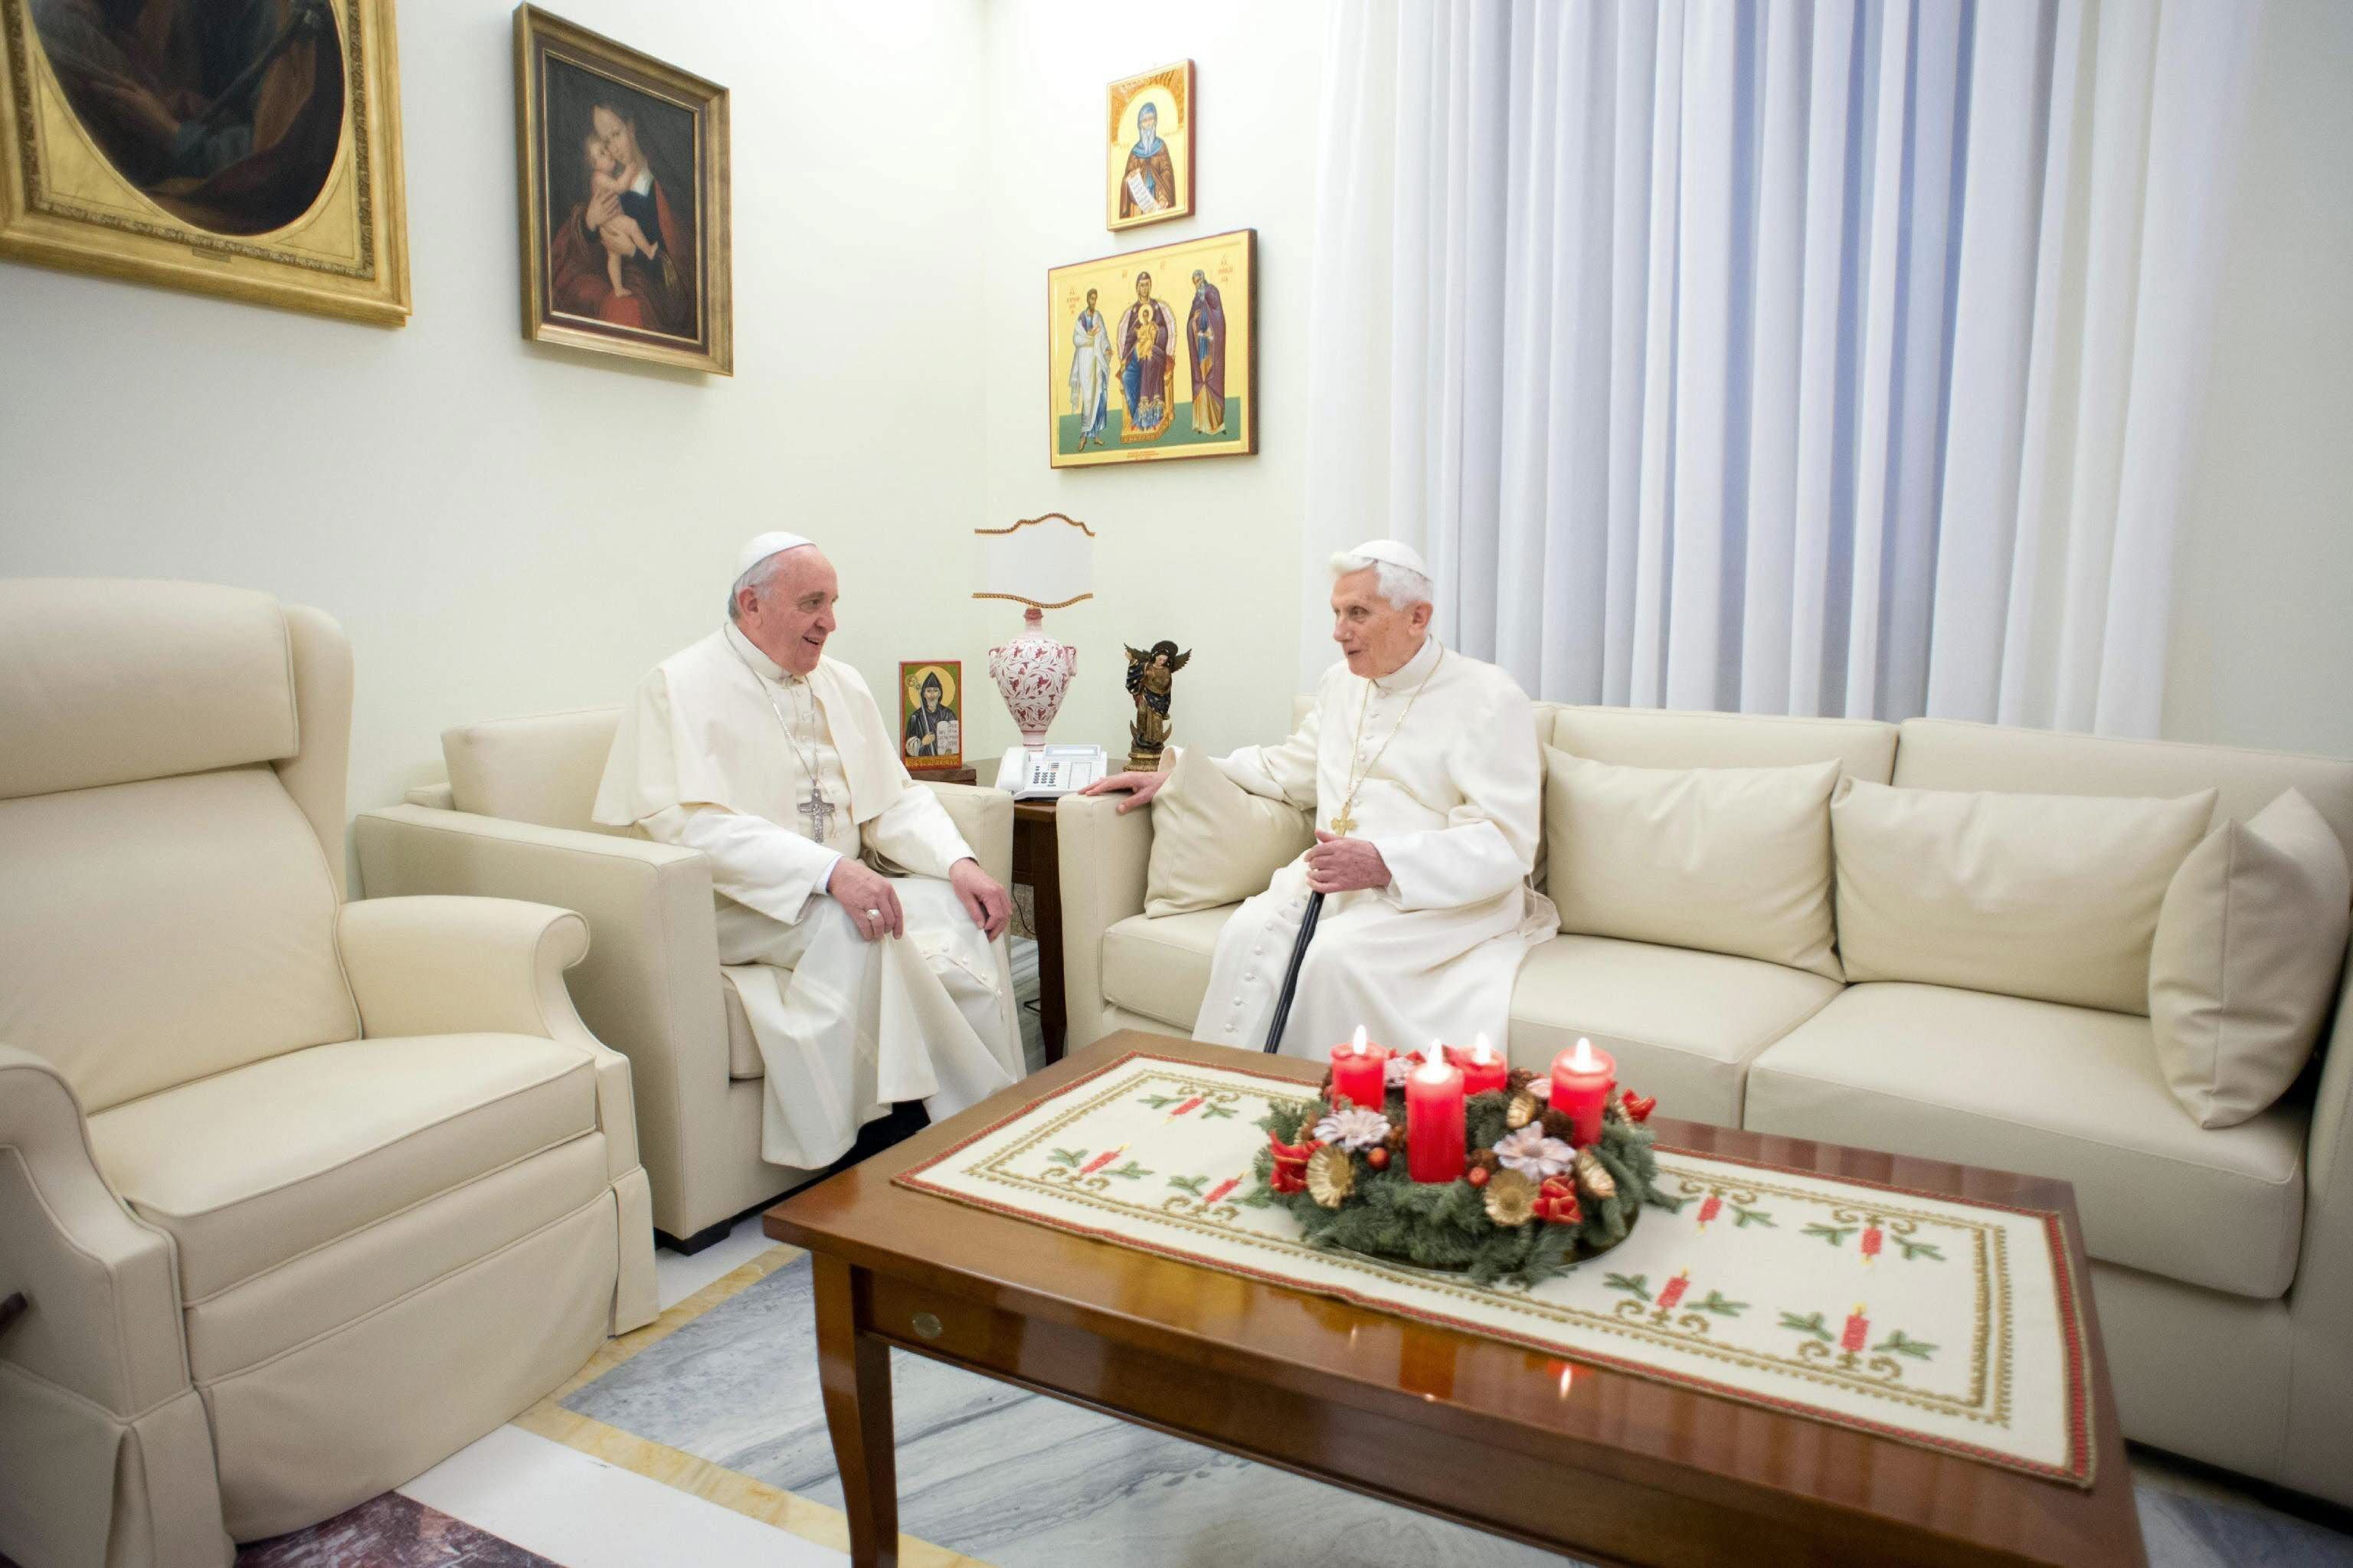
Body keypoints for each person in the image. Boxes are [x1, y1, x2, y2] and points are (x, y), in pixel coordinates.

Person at [594, 532, 1023, 1171]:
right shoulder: (677, 686)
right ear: (752, 603)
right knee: (861, 926)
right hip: (744, 899)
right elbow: (686, 827)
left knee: (963, 912)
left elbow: (892, 800)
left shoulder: (842, 684)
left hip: (843, 881)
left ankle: (993, 1118)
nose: (830, 622)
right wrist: (825, 872)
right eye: (812, 602)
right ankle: (889, 1138)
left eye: (833, 602)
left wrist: (960, 863)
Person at [1081, 540, 1555, 1056]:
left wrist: (1384, 863)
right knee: (1246, 932)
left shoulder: (1489, 697)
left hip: (1445, 895)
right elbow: (1289, 768)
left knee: (1335, 956)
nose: (1338, 631)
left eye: (1357, 613)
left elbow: (1506, 843)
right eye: (1335, 613)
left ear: (1417, 616)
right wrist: (1179, 775)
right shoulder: (1340, 685)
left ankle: (1331, 1120)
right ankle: (1231, 1093)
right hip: (1338, 879)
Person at [550, 100, 695, 337]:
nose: (613, 149)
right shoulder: (610, 185)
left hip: (654, 291)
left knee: (625, 310)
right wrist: (590, 224)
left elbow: (683, 271)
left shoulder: (662, 184)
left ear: (631, 127)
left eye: (616, 135)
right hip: (617, 278)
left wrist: (633, 251)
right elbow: (586, 251)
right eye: (605, 142)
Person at [582, 131, 658, 300]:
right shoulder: (599, 177)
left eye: (605, 148)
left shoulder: (603, 176)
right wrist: (630, 170)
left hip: (610, 221)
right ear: (594, 165)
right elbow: (620, 187)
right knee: (632, 226)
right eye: (602, 153)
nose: (608, 153)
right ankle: (648, 251)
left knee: (614, 256)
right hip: (611, 220)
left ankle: (618, 288)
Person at [1118, 271, 1177, 440]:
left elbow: (1164, 330)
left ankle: (1153, 415)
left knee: (1149, 361)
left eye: (1147, 284)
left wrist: (1156, 336)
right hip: (1137, 352)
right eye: (1142, 285)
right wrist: (1124, 359)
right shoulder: (1134, 311)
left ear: (1150, 286)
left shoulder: (1157, 307)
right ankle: (1137, 415)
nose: (1145, 288)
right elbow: (1129, 337)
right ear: (1137, 288)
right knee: (1127, 376)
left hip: (1156, 350)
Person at [1117, 100, 1177, 219]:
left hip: (1159, 202)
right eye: (1144, 120)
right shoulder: (1134, 153)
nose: (1148, 124)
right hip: (1139, 206)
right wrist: (1129, 179)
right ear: (1140, 125)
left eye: (1151, 119)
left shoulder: (1161, 147)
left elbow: (1167, 174)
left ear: (1155, 121)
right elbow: (1126, 181)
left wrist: (1163, 198)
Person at [1069, 288, 1112, 448]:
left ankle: (1096, 435)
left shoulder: (1098, 316)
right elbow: (1076, 339)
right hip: (1085, 360)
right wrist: (1089, 338)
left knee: (1100, 395)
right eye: (1091, 298)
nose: (1094, 301)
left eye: (1096, 298)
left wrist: (1107, 348)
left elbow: (1104, 336)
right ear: (1088, 299)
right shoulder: (1081, 317)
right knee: (1088, 398)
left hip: (1097, 359)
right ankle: (1083, 436)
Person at [1186, 268, 1227, 436]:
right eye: (1195, 283)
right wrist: (1194, 323)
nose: (1198, 285)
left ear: (1204, 279)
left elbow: (1218, 317)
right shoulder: (1196, 298)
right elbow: (1190, 323)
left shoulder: (1212, 292)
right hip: (1200, 345)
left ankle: (1216, 423)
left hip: (1212, 346)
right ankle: (1202, 423)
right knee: (1201, 378)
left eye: (1199, 281)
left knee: (1212, 378)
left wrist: (1210, 329)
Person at [904, 671, 958, 761]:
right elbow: (909, 748)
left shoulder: (948, 714)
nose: (932, 695)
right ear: (924, 694)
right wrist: (923, 742)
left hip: (943, 760)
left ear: (940, 693)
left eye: (935, 691)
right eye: (929, 691)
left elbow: (954, 742)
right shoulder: (916, 717)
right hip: (924, 760)